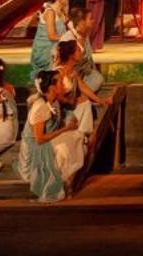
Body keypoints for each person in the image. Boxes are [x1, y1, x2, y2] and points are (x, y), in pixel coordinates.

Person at [17, 70, 85, 203]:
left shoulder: (53, 102)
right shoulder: (40, 107)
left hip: (47, 141)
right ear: (51, 87)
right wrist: (65, 129)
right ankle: (58, 184)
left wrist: (70, 123)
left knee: (76, 136)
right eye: (60, 82)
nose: (63, 84)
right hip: (36, 150)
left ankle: (67, 181)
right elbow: (39, 139)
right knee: (65, 147)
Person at [53, 40, 110, 141]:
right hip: (61, 111)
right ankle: (76, 134)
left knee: (85, 100)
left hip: (71, 107)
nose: (81, 52)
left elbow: (83, 87)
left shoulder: (73, 71)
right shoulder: (59, 72)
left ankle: (82, 134)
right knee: (83, 101)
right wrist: (70, 101)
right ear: (71, 55)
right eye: (78, 50)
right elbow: (55, 96)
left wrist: (99, 100)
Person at [30, 0, 70, 76]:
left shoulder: (61, 11)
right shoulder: (50, 12)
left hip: (56, 46)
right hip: (45, 51)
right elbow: (51, 36)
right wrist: (68, 38)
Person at [62, 8, 104, 93]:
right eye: (90, 18)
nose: (93, 20)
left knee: (98, 79)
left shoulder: (85, 35)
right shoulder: (69, 39)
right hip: (69, 77)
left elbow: (89, 60)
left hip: (82, 75)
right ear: (82, 22)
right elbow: (63, 65)